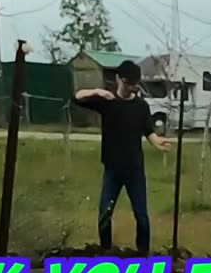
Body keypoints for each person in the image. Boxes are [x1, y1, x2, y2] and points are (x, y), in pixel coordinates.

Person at [73, 60, 172, 254]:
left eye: (134, 84)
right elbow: (77, 97)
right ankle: (106, 252)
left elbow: (147, 130)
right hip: (112, 170)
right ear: (118, 79)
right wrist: (99, 92)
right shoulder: (108, 103)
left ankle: (143, 255)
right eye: (127, 83)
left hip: (134, 170)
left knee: (141, 216)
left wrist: (156, 141)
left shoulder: (141, 106)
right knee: (105, 213)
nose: (130, 88)